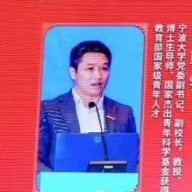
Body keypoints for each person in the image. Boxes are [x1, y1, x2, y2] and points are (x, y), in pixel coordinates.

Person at [38, 40, 138, 171]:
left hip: (112, 183)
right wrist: (57, 180)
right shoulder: (49, 109)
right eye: (90, 68)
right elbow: (36, 158)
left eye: (104, 68)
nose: (98, 76)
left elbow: (136, 159)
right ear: (73, 72)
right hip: (63, 183)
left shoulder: (123, 113)